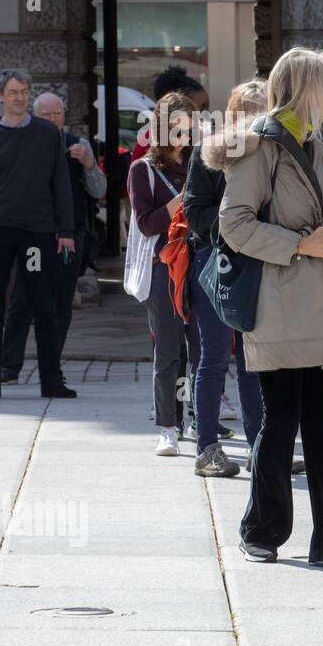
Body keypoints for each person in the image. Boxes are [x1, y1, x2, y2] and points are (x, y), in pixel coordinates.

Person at [214, 47, 323, 569]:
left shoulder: (313, 142)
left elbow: (320, 216)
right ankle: (263, 530)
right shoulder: (260, 145)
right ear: (306, 89)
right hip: (278, 304)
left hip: (319, 298)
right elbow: (233, 224)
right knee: (281, 421)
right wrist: (303, 245)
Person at [183, 81, 267, 477]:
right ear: (234, 112)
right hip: (215, 261)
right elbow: (193, 212)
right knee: (213, 358)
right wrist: (235, 215)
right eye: (251, 109)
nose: (258, 116)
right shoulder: (208, 150)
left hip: (259, 263)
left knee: (254, 360)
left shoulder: (272, 151)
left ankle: (260, 446)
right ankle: (207, 450)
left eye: (264, 108)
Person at [0, 92, 106, 382]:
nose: (51, 119)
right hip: (33, 239)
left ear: (63, 115)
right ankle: (9, 367)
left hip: (69, 238)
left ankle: (51, 366)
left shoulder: (78, 145)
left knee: (60, 303)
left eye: (56, 113)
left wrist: (89, 165)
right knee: (22, 300)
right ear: (34, 115)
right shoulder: (22, 145)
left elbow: (98, 190)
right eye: (45, 114)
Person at [0, 69, 77, 399]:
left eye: (24, 91)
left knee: (43, 305)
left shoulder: (47, 134)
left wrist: (65, 230)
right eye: (13, 92)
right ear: (0, 96)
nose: (20, 97)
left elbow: (61, 184)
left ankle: (51, 380)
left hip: (36, 234)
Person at [129, 92, 195, 455]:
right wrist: (181, 198)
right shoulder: (143, 170)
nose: (184, 134)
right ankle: (167, 425)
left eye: (188, 125)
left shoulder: (199, 162)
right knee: (168, 350)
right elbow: (147, 223)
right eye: (176, 126)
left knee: (200, 350)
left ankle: (195, 420)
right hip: (163, 268)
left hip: (198, 263)